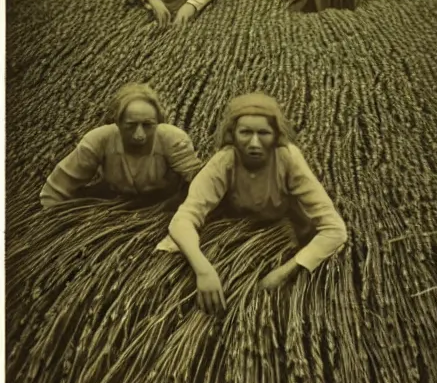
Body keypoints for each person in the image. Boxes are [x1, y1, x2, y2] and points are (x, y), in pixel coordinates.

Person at [156, 92, 347, 313]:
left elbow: (334, 229)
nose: (254, 143)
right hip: (231, 229)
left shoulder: (288, 159)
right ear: (233, 135)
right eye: (245, 132)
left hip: (280, 233)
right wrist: (203, 270)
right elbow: (185, 218)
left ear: (276, 136)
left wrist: (284, 272)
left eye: (263, 133)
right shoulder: (224, 160)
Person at [40, 83, 202, 207]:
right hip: (113, 204)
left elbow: (198, 182)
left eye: (147, 125)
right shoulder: (100, 140)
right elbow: (58, 187)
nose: (139, 135)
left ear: (158, 123)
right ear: (117, 122)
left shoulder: (173, 140)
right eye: (131, 125)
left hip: (162, 206)